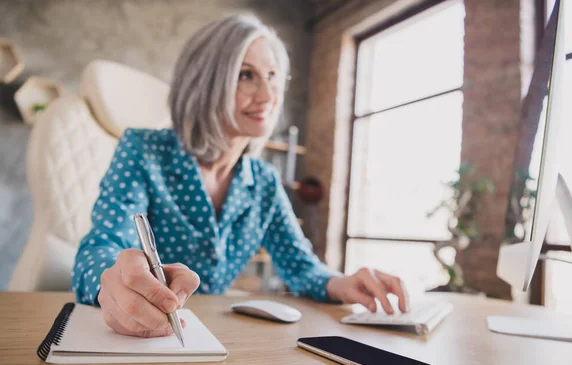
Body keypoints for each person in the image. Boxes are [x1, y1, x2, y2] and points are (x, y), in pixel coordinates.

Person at [72, 14, 409, 338]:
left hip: (212, 340)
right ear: (204, 81)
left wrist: (343, 283)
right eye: (246, 75)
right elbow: (99, 249)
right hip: (146, 342)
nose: (267, 95)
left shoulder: (263, 180)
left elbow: (301, 266)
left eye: (273, 75)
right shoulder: (143, 150)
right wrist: (112, 282)